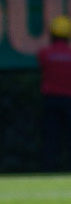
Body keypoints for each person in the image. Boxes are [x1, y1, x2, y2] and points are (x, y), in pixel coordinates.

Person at [42, 15, 71, 171]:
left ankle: (49, 169)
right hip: (69, 101)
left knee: (51, 138)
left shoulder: (44, 53)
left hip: (51, 101)